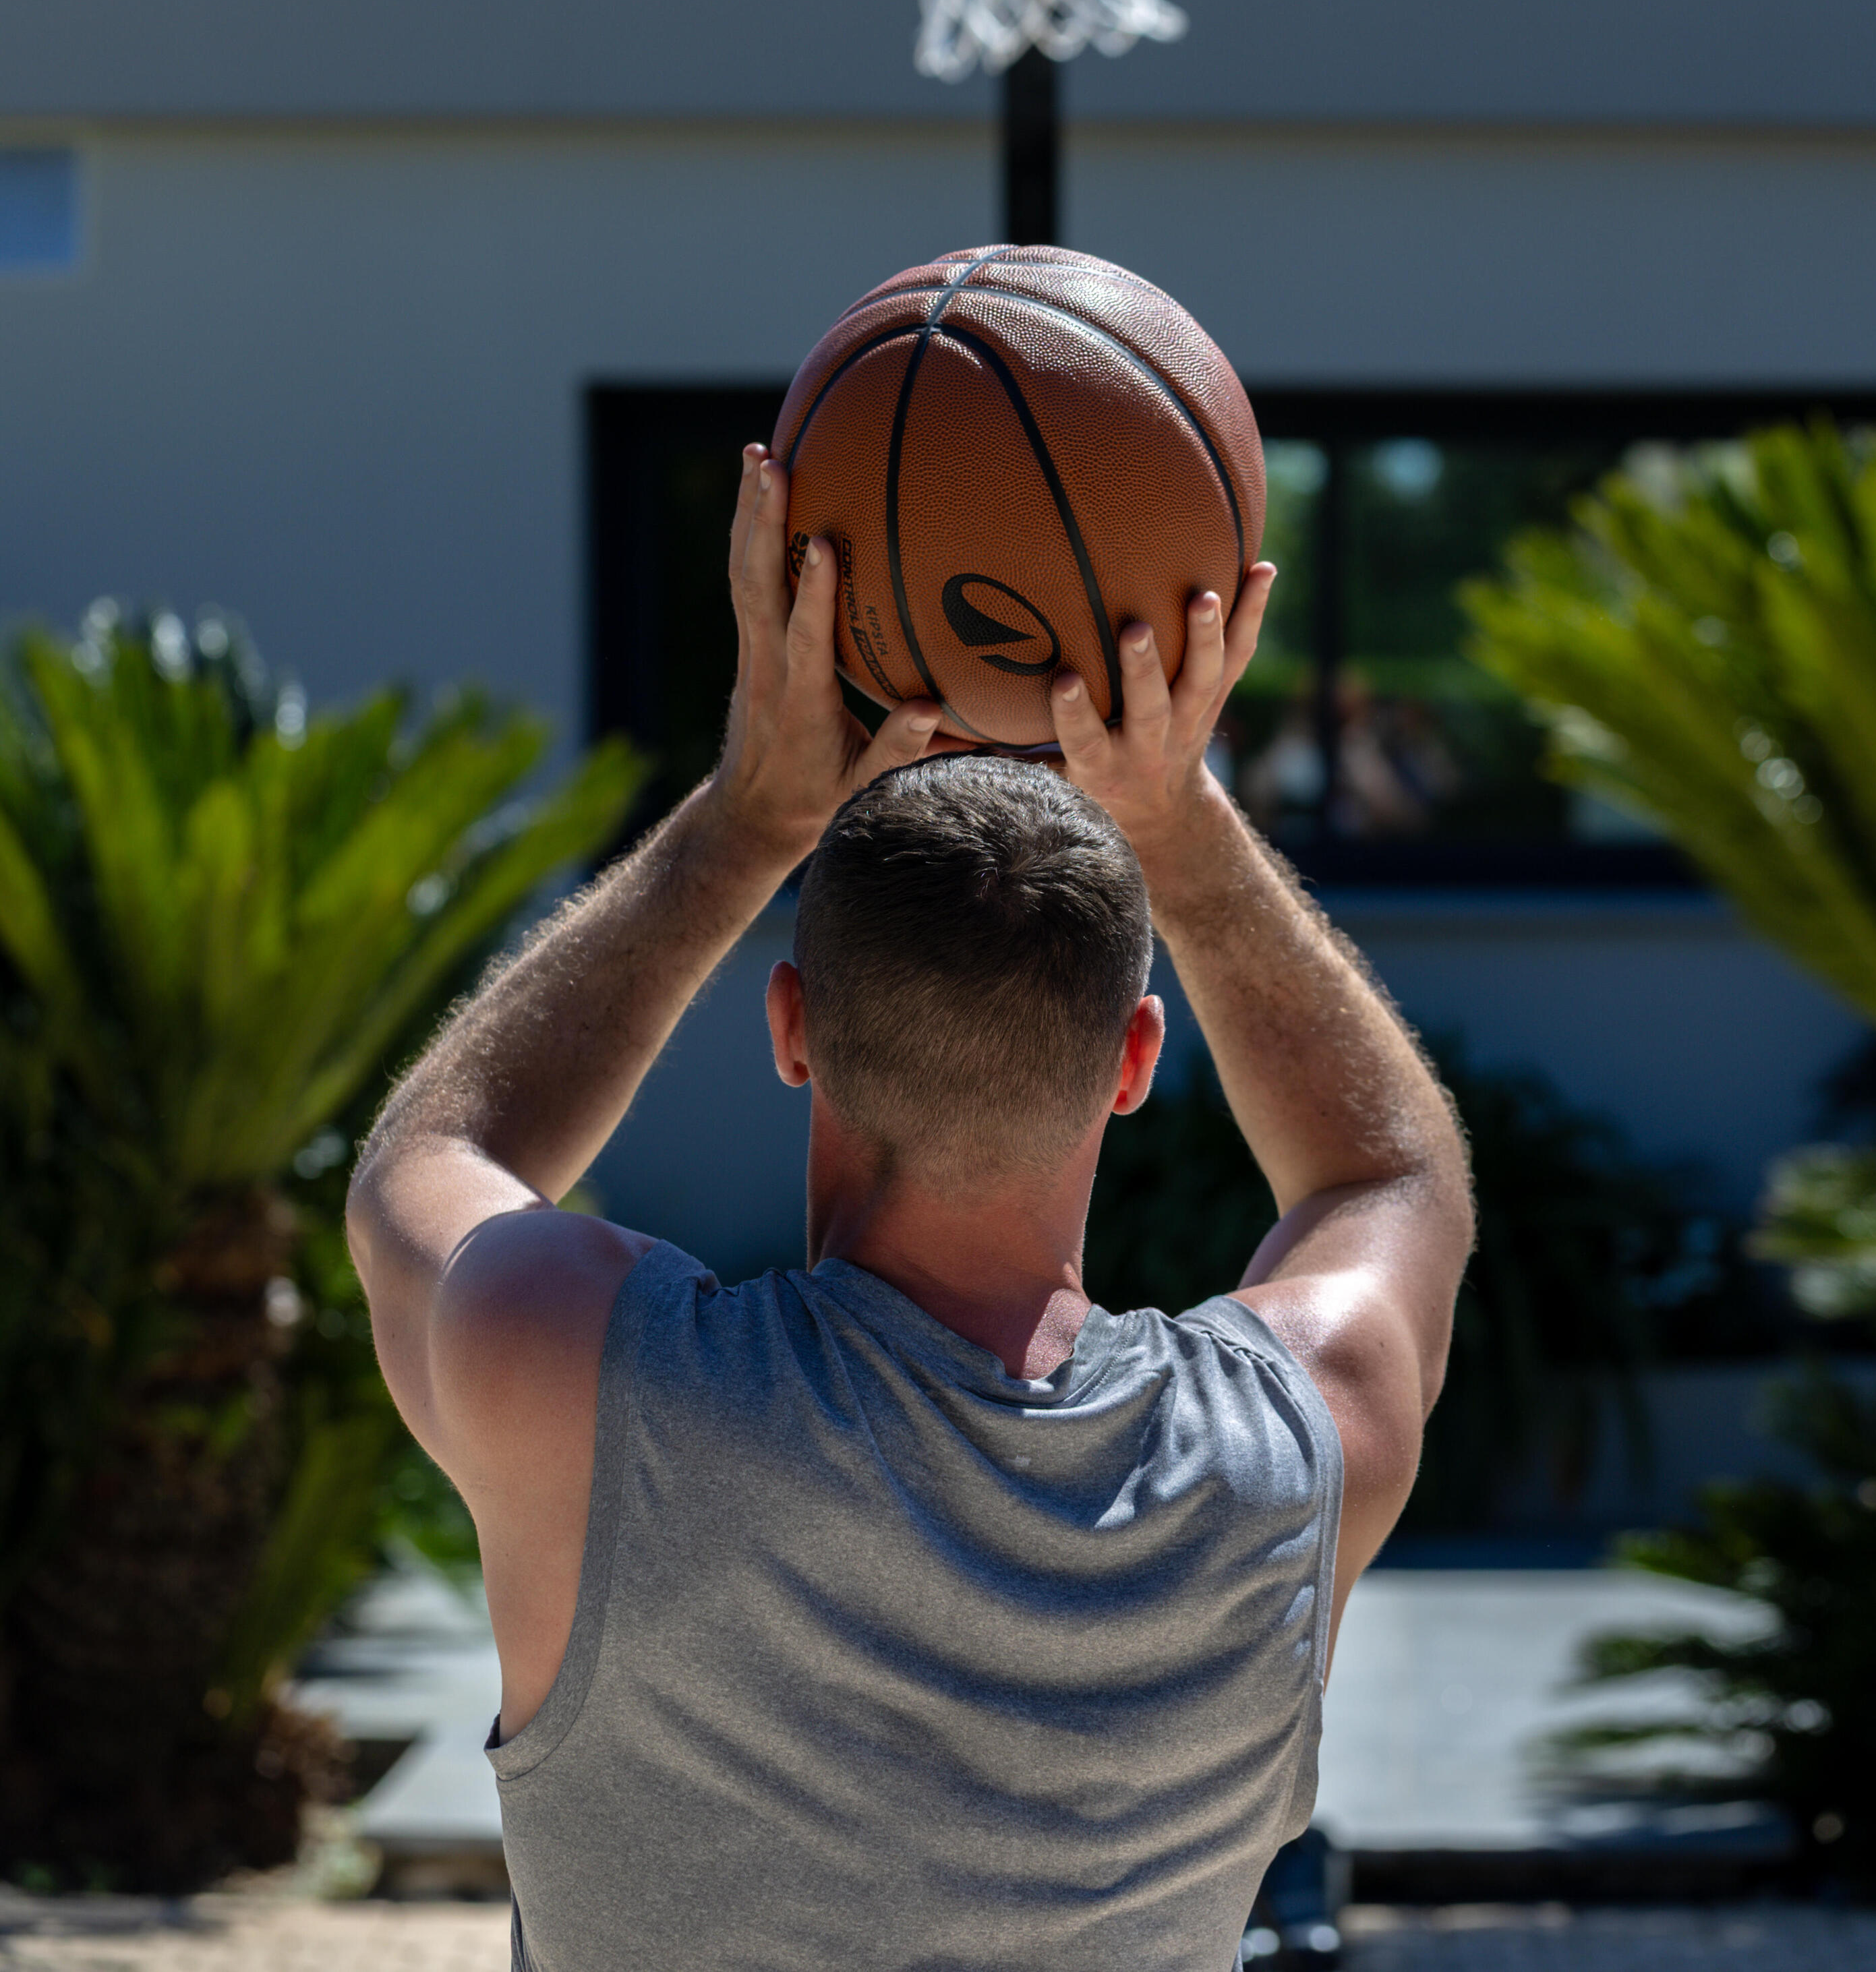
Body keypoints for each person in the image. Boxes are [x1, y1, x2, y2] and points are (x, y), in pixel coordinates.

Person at [348, 447, 1473, 1971]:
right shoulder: (1294, 1449)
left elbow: (430, 1160)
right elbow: (1392, 1175)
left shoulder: (587, 1376)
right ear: (1136, 1058)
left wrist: (748, 819)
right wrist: (1183, 825)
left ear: (790, 1026)